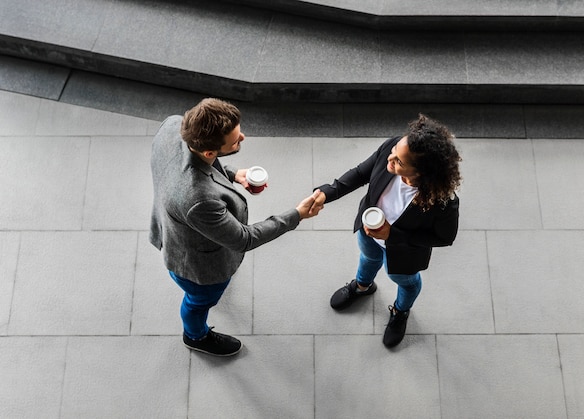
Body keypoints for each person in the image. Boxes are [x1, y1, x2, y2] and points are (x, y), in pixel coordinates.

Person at [150, 98, 322, 356]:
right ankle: (195, 336)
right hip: (197, 264)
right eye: (235, 141)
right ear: (210, 152)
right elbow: (244, 238)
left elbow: (191, 161)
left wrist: (231, 174)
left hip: (171, 225)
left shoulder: (174, 126)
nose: (243, 136)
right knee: (200, 300)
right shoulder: (199, 200)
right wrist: (296, 215)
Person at [312, 114, 461, 348]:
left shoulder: (442, 201)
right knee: (368, 257)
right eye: (393, 151)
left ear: (422, 172)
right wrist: (326, 193)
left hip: (404, 253)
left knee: (406, 282)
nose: (390, 159)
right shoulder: (393, 148)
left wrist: (392, 236)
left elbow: (444, 238)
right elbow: (361, 174)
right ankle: (362, 286)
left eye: (399, 162)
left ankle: (400, 311)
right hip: (368, 232)